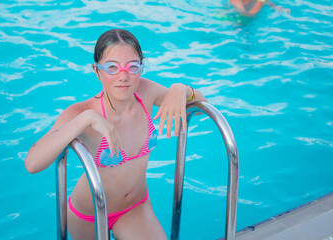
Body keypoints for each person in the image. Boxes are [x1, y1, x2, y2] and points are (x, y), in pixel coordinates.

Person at [25, 28, 207, 240]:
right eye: (112, 67)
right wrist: (85, 120)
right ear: (97, 70)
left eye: (132, 67)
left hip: (135, 208)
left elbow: (203, 104)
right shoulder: (81, 112)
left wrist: (180, 89)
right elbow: (32, 163)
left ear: (141, 67)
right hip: (89, 213)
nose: (123, 76)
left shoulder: (146, 93)